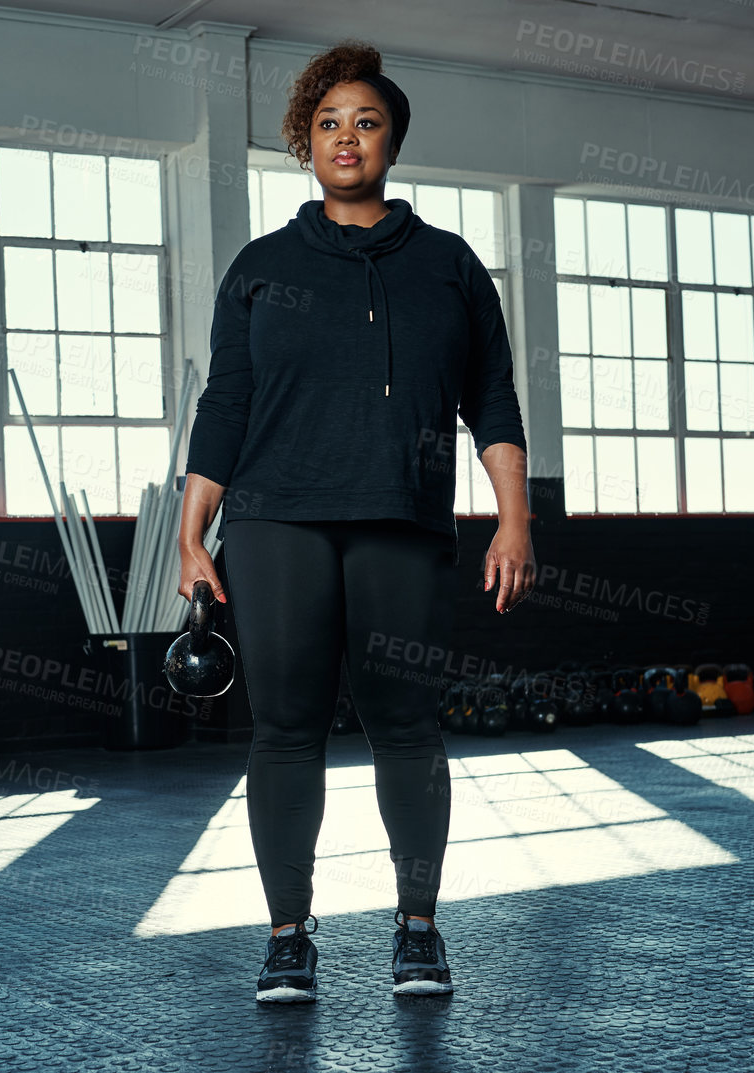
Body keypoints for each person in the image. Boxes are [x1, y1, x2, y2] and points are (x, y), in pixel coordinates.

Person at [175, 40, 537, 1003]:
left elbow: (491, 401)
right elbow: (226, 404)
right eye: (329, 122)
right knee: (284, 730)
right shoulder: (259, 268)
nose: (347, 137)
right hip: (275, 525)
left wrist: (515, 520)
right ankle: (288, 937)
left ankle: (417, 930)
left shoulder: (450, 267)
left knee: (407, 729)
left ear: (392, 142)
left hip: (401, 524)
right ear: (307, 143)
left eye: (366, 121)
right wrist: (189, 529)